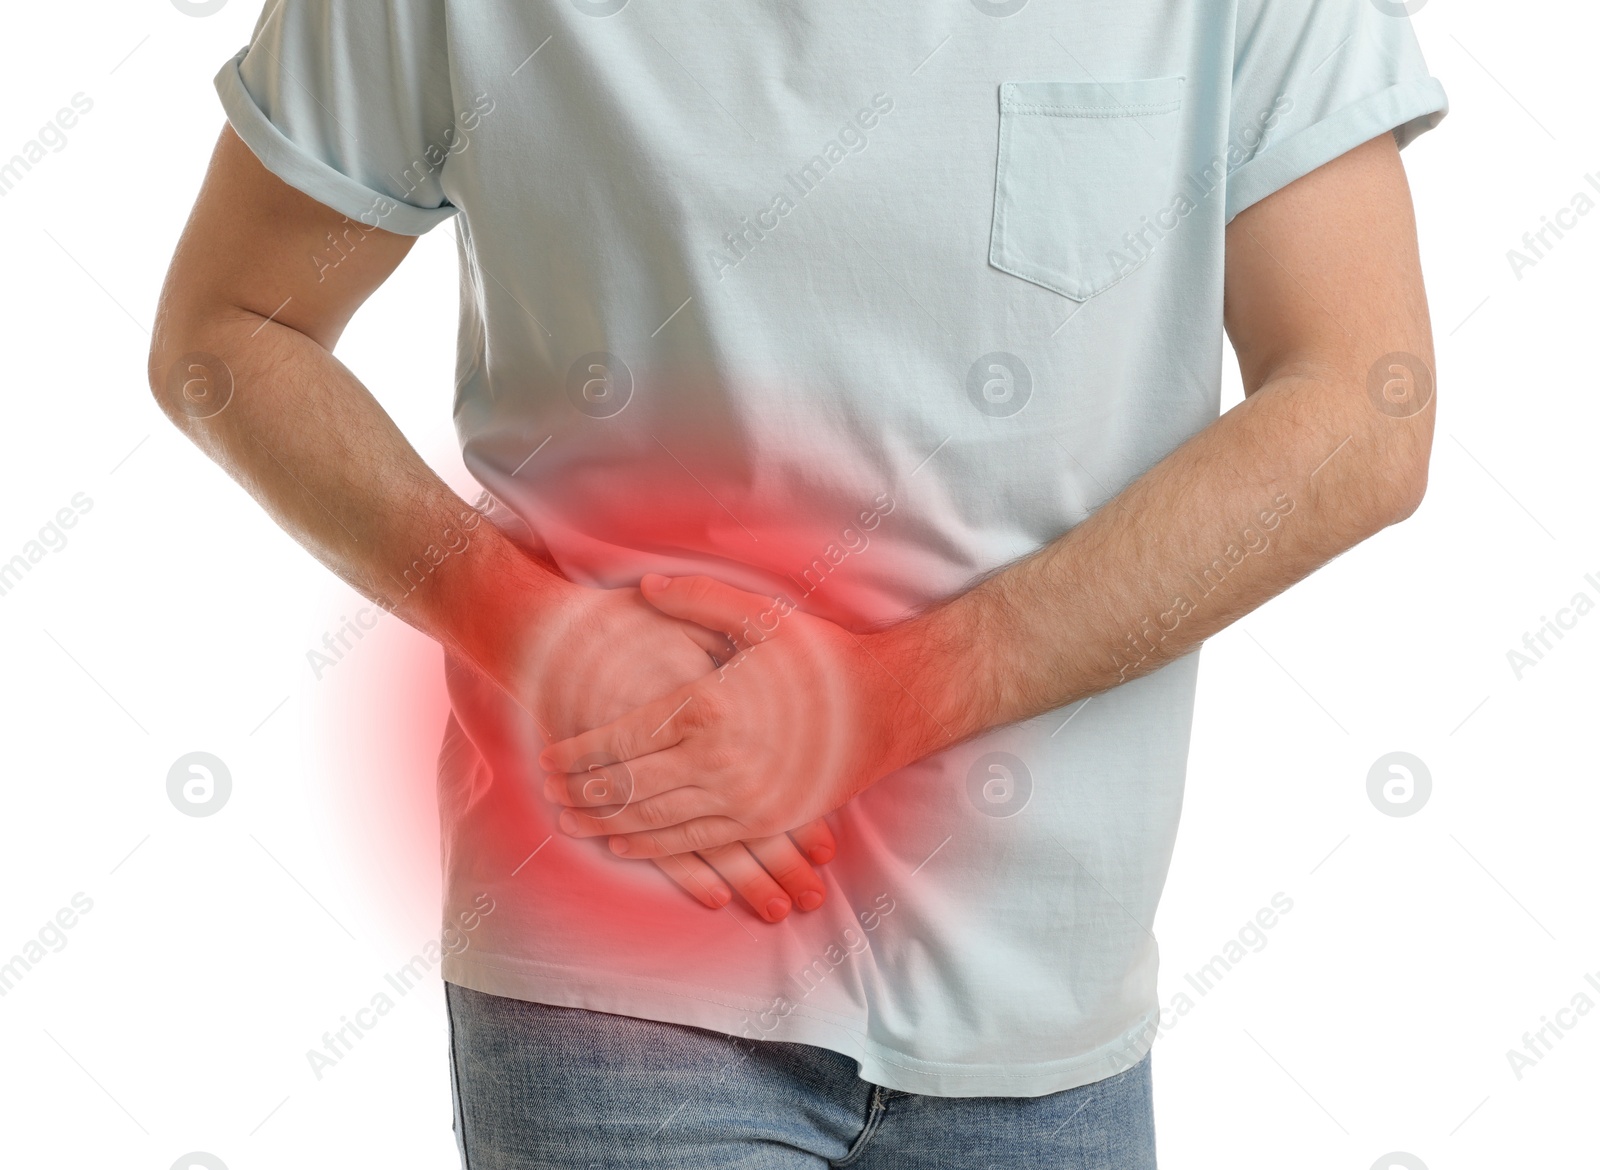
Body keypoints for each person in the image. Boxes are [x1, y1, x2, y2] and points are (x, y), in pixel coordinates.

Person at [148, 1, 1448, 1165]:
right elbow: (230, 332)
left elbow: (1360, 409)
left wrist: (886, 697)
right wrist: (540, 631)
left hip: (1052, 1002)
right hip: (618, 965)